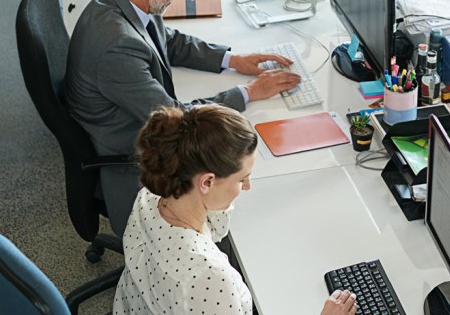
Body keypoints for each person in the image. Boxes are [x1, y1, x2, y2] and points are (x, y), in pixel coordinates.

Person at [65, 0, 300, 236]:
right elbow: (178, 119)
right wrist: (248, 93)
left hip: (131, 118)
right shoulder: (115, 47)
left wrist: (232, 59)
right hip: (129, 151)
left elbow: (168, 41)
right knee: (241, 166)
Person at [114, 104, 357, 315]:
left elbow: (217, 229)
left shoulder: (153, 195)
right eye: (242, 179)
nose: (248, 186)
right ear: (206, 182)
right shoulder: (209, 279)